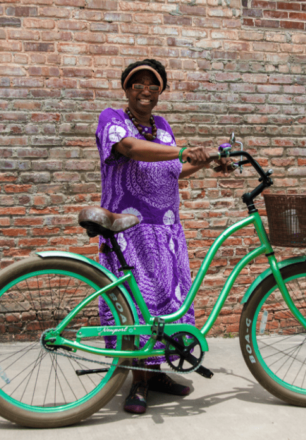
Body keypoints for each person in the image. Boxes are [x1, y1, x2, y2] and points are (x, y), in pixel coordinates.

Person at [94, 59, 231, 414]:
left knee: (165, 306)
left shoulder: (163, 125)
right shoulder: (112, 118)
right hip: (131, 232)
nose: (145, 91)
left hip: (167, 232)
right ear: (126, 89)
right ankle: (137, 380)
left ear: (160, 93)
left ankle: (155, 375)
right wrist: (184, 149)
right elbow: (131, 149)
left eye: (153, 85)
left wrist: (206, 160)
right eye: (137, 84)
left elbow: (173, 170)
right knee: (138, 305)